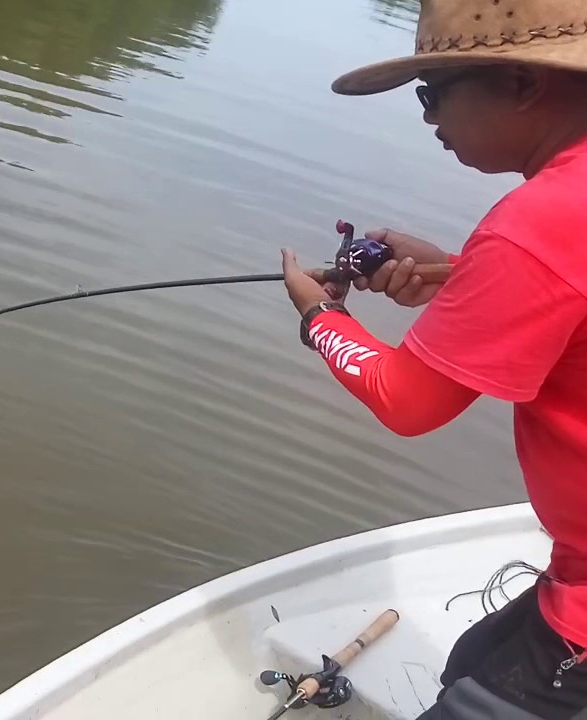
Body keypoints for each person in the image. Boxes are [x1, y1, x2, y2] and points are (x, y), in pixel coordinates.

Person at [279, 1, 587, 718]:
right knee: (476, 658)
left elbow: (407, 401)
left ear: (519, 83)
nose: (427, 120)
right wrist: (465, 271)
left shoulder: (542, 221)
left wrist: (320, 316)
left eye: (433, 94)